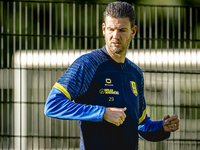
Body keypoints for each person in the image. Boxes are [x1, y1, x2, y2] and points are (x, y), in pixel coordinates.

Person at [44, 2, 179, 150]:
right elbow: (53, 104)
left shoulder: (135, 73)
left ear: (133, 31)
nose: (115, 36)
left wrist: (161, 127)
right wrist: (102, 113)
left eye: (122, 30)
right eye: (111, 29)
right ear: (103, 29)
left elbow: (140, 125)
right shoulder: (87, 64)